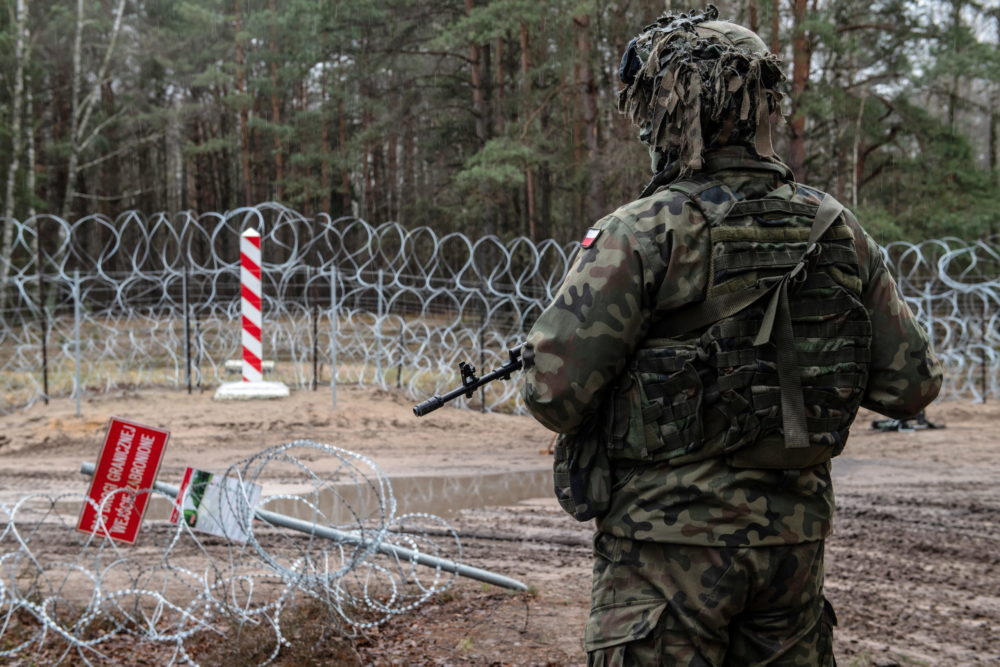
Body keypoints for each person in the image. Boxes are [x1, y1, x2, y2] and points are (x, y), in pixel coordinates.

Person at [520, 6, 942, 666]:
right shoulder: (836, 228)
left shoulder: (643, 231)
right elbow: (911, 386)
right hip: (790, 556)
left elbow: (554, 393)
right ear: (760, 106)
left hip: (666, 557)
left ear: (669, 107)